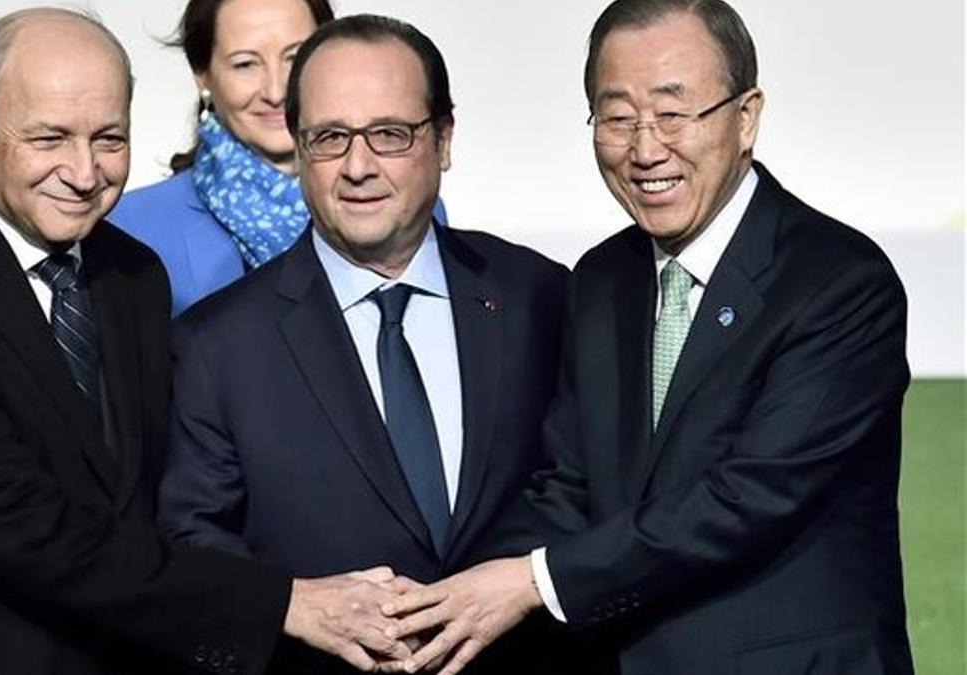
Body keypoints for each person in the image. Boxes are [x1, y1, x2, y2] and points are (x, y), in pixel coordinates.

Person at [0, 8, 415, 675]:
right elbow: (31, 532)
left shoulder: (129, 273)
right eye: (49, 138)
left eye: (108, 138)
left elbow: (152, 496)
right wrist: (285, 604)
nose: (83, 170)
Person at [385, 1, 915, 674]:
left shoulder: (838, 283)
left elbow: (745, 499)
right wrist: (442, 599)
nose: (644, 148)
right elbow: (570, 487)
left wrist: (529, 582)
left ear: (745, 116)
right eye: (617, 117)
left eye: (672, 113)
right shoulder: (603, 282)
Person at [157, 14, 569, 674]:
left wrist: (516, 582)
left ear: (444, 138)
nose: (357, 166)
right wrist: (292, 603)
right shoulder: (216, 345)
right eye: (328, 138)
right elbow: (189, 538)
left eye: (389, 134)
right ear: (297, 147)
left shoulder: (539, 297)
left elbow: (581, 483)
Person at [109, 0, 447, 316]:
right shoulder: (129, 227)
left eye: (295, 57)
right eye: (245, 64)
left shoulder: (406, 202)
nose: (276, 91)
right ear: (203, 77)